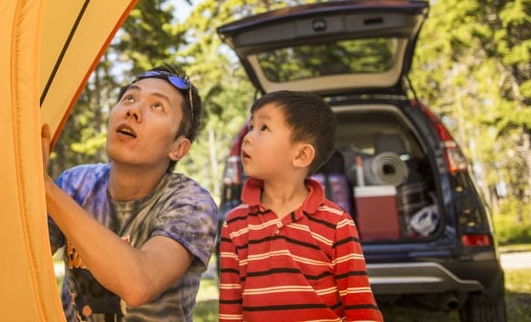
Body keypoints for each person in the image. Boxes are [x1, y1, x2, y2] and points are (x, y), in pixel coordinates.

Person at [43, 64, 219, 321]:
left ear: (178, 148)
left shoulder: (191, 204)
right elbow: (16, 262)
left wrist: (45, 187)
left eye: (157, 106)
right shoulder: (74, 184)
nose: (133, 110)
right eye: (129, 98)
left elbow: (139, 285)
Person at [218, 90, 383, 322]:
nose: (247, 137)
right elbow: (230, 308)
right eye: (250, 127)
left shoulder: (337, 223)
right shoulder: (235, 225)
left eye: (263, 128)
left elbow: (361, 309)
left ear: (302, 155)